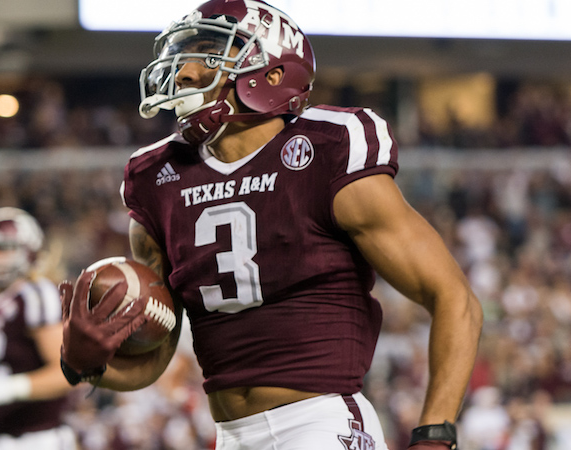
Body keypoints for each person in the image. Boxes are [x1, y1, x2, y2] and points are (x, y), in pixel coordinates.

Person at [58, 1, 483, 449]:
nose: (183, 72)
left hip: (320, 422)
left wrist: (435, 432)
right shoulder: (156, 178)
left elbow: (454, 298)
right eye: (183, 56)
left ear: (271, 73)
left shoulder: (327, 148)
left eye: (208, 52)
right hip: (229, 435)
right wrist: (85, 364)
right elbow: (157, 354)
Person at [0, 207, 76, 449]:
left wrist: (14, 387)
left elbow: (67, 373)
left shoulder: (36, 295)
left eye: (3, 250)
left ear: (29, 251)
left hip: (37, 438)